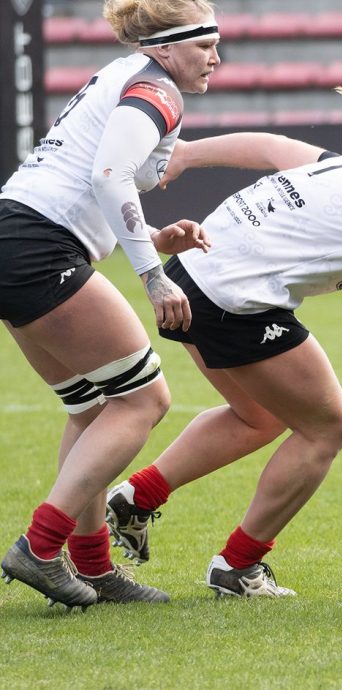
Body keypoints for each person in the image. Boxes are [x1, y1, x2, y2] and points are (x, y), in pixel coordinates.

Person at [104, 56, 342, 597]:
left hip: (191, 272)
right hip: (232, 297)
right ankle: (237, 566)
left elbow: (268, 148)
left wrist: (189, 155)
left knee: (260, 417)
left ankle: (137, 497)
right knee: (327, 428)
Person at [0, 0, 221, 609]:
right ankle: (40, 549)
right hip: (40, 246)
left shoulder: (123, 74)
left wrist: (152, 240)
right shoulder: (158, 87)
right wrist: (155, 277)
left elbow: (85, 187)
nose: (216, 58)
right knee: (145, 400)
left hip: (18, 238)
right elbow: (107, 178)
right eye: (206, 46)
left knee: (95, 409)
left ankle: (93, 569)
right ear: (168, 47)